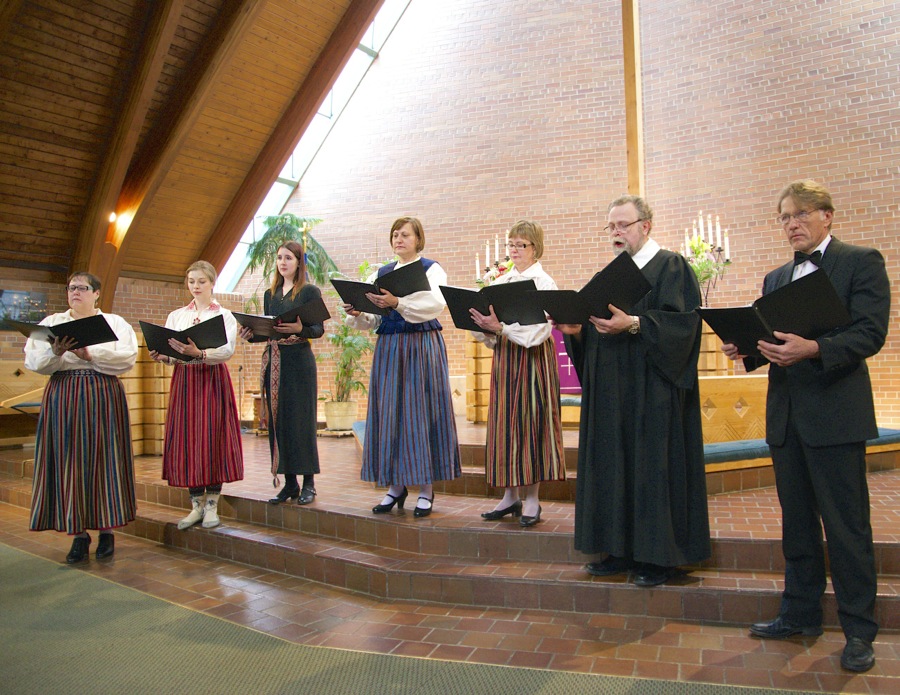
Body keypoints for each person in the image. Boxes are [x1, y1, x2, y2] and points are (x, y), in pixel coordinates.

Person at [721, 180, 889, 673]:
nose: (791, 223)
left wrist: (814, 349)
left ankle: (859, 631)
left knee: (847, 527)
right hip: (787, 418)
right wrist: (746, 349)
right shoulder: (776, 278)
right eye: (784, 217)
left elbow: (870, 332)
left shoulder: (861, 261)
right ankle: (801, 613)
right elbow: (771, 339)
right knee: (796, 525)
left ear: (827, 216)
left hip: (836, 414)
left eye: (800, 214)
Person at [556, 195, 710, 587]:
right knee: (614, 465)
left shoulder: (670, 266)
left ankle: (658, 558)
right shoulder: (610, 275)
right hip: (611, 395)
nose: (616, 233)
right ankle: (618, 549)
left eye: (623, 225)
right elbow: (595, 331)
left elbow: (686, 326)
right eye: (610, 226)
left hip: (653, 391)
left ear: (646, 226)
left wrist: (638, 324)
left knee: (652, 468)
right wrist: (577, 332)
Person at [344, 216, 461, 517]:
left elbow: (436, 304)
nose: (399, 239)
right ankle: (395, 486)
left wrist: (398, 302)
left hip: (421, 346)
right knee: (390, 413)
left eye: (406, 235)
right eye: (395, 234)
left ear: (418, 240)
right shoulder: (381, 273)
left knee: (422, 412)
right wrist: (359, 310)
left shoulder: (431, 269)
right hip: (390, 348)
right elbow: (372, 320)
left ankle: (426, 488)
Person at [24, 272, 138, 563]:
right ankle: (78, 534)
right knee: (69, 461)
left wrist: (91, 356)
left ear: (96, 293)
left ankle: (107, 530)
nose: (76, 292)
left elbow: (127, 357)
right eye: (72, 288)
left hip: (103, 393)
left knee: (105, 459)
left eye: (82, 288)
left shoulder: (114, 323)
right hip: (63, 395)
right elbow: (34, 361)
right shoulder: (51, 323)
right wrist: (55, 353)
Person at [469, 219, 565, 527]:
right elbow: (491, 334)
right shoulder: (500, 282)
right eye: (511, 244)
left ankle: (533, 500)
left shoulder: (545, 283)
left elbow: (538, 332)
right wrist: (482, 328)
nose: (514, 250)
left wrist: (501, 328)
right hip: (506, 359)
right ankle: (510, 497)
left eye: (520, 245)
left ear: (535, 248)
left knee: (530, 423)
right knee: (504, 425)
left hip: (533, 360)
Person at [149, 261, 243, 530]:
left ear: (212, 282)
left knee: (213, 437)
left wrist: (200, 354)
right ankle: (195, 505)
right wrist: (162, 356)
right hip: (185, 379)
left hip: (211, 377)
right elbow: (171, 352)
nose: (196, 286)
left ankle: (212, 504)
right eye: (191, 281)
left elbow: (226, 350)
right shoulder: (177, 315)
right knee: (188, 438)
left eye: (201, 281)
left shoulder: (224, 315)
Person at [239, 241, 324, 505]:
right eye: (279, 258)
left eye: (288, 258)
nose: (283, 262)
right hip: (275, 362)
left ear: (299, 262)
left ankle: (309, 483)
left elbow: (317, 330)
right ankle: (289, 484)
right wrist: (250, 335)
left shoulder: (309, 291)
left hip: (299, 362)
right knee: (278, 422)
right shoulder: (271, 293)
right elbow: (269, 329)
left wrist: (300, 329)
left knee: (302, 421)